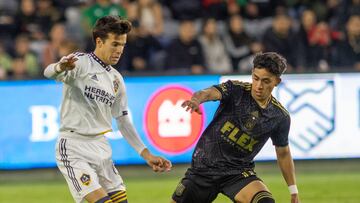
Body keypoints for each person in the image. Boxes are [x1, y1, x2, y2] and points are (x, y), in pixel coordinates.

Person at [44, 15, 172, 203]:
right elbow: (48, 72)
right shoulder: (81, 62)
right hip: (73, 147)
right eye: (115, 44)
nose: (119, 50)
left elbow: (122, 120)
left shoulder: (116, 80)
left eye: (122, 45)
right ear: (99, 42)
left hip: (101, 147)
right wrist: (60, 66)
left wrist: (146, 154)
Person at [171, 52, 300, 203]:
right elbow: (207, 93)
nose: (258, 86)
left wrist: (293, 191)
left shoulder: (279, 116)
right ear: (252, 73)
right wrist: (196, 100)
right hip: (204, 169)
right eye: (256, 78)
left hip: (237, 173)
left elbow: (283, 153)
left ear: (277, 81)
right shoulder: (235, 90)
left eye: (266, 81)